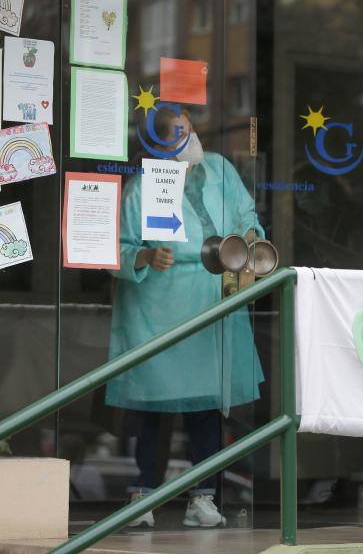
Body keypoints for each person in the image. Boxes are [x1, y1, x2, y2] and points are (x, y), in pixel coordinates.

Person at [106, 109, 265, 528]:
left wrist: (251, 237)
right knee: (153, 404)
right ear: (158, 143)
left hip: (213, 298)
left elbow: (248, 216)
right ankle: (142, 495)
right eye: (178, 132)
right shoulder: (142, 186)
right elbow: (117, 248)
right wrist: (145, 255)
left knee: (207, 405)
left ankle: (204, 497)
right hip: (159, 305)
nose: (189, 137)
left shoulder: (221, 169)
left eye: (190, 128)